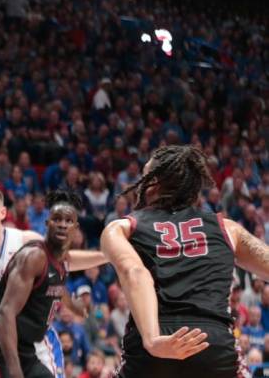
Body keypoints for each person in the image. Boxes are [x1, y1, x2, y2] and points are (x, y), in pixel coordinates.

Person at [101, 145, 268, 377]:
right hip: (211, 342)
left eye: (145, 176)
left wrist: (153, 340)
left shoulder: (123, 227)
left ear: (153, 183)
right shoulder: (227, 228)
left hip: (153, 340)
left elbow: (135, 273)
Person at [0, 185, 106, 377]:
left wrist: (109, 256)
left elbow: (59, 267)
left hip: (34, 341)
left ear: (2, 213)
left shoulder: (25, 240)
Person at [0, 191, 90, 378]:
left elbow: (56, 286)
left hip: (22, 346)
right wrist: (15, 370)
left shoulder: (62, 259)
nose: (62, 225)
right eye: (57, 219)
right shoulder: (34, 256)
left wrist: (75, 307)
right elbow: (5, 313)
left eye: (68, 221)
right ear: (47, 223)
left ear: (76, 228)